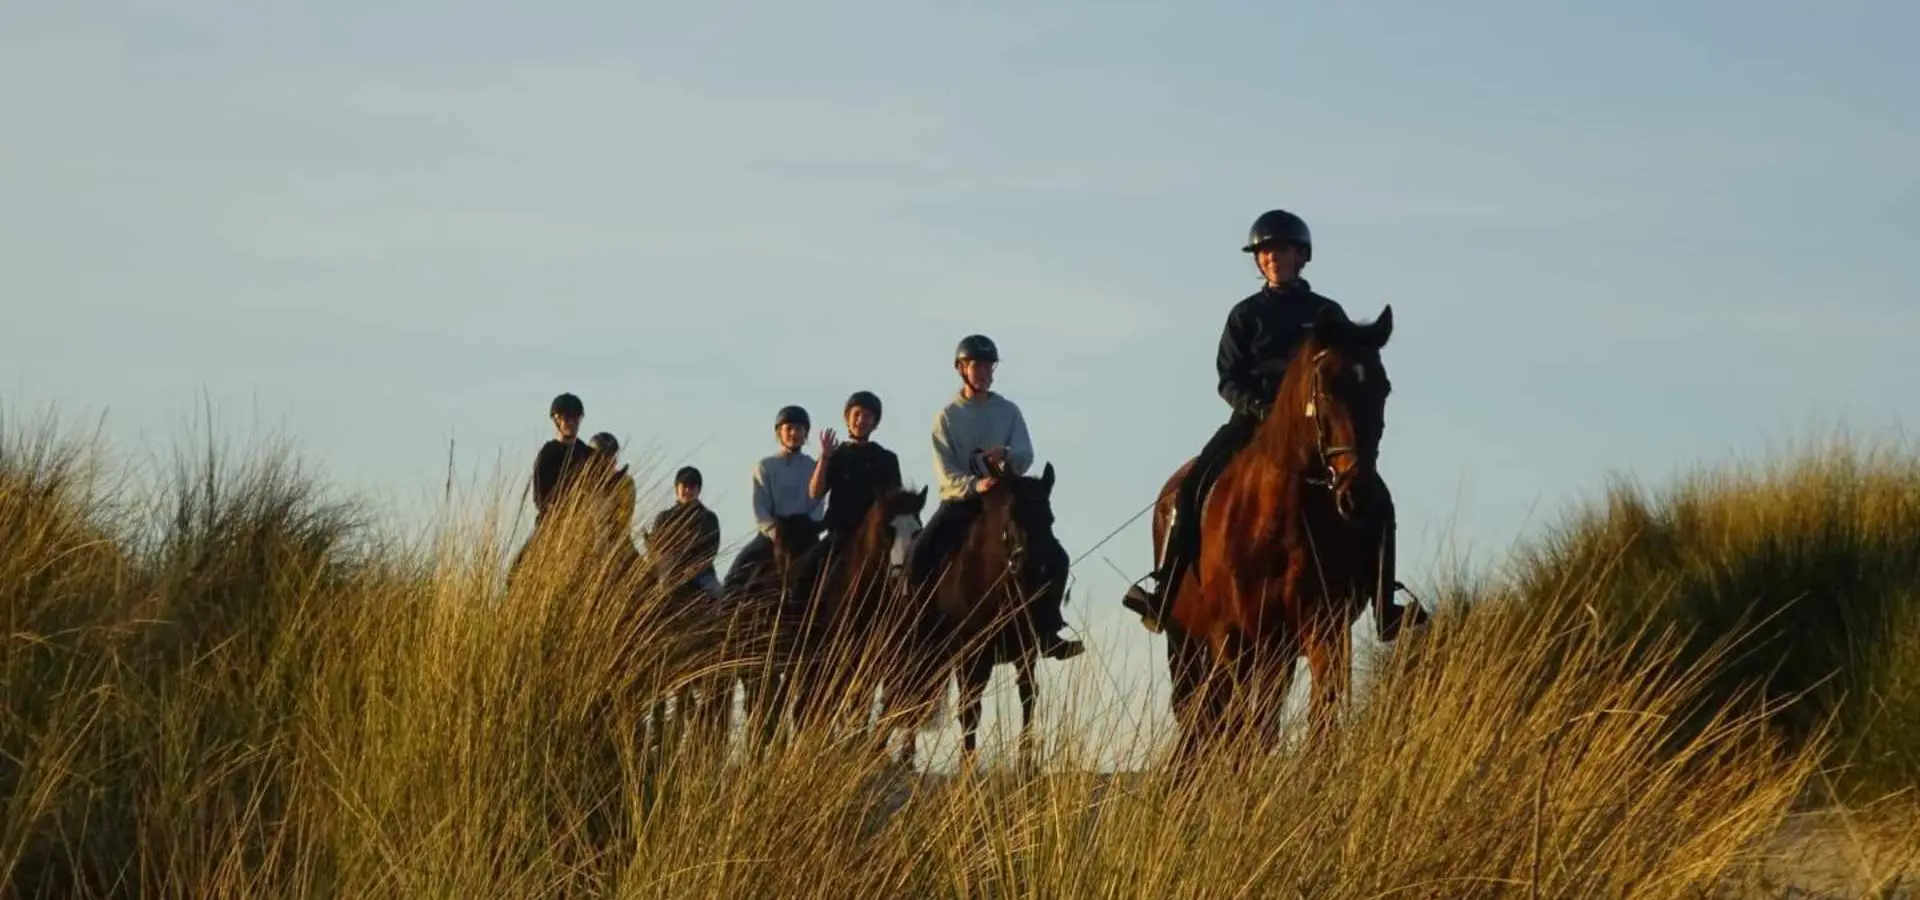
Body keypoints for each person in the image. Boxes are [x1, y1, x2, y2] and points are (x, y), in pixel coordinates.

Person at [1120, 209, 1423, 637]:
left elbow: (1340, 373)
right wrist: (1265, 412)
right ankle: (1164, 588)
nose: (1271, 258)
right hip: (1251, 421)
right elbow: (1228, 377)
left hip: (1315, 432)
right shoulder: (1246, 314)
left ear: (1301, 255)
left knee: (1377, 497)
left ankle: (1385, 603)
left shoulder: (1326, 313)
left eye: (1279, 249)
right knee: (1190, 489)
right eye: (1264, 252)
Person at [905, 334, 1083, 661]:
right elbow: (945, 472)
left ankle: (1048, 629)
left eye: (988, 366)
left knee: (1056, 556)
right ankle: (916, 633)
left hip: (1004, 500)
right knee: (919, 555)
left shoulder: (1008, 411)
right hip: (962, 502)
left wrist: (1008, 453)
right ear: (962, 369)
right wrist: (975, 486)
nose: (984, 372)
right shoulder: (947, 417)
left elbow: (1026, 454)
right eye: (977, 366)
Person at [721, 405, 826, 593]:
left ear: (806, 434)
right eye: (788, 428)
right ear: (779, 433)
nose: (794, 433)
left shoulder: (813, 466)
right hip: (775, 534)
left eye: (799, 429)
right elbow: (760, 507)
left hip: (805, 534)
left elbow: (818, 503)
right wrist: (776, 533)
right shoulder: (766, 466)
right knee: (734, 576)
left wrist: (810, 527)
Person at [809, 390, 905, 542]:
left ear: (875, 423)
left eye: (867, 416)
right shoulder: (836, 455)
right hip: (839, 534)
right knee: (806, 565)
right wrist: (825, 457)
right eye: (857, 414)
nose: (860, 421)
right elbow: (815, 493)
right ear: (847, 418)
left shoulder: (887, 458)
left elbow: (896, 500)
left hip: (875, 536)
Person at [646, 465, 723, 600]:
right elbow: (655, 548)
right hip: (669, 570)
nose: (688, 490)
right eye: (684, 486)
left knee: (718, 593)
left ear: (699, 489)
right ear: (677, 488)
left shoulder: (708, 518)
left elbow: (711, 551)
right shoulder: (663, 517)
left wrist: (694, 568)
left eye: (692, 487)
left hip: (700, 574)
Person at [531, 392, 599, 527]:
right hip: (552, 525)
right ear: (556, 420)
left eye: (576, 418)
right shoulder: (548, 453)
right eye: (567, 418)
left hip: (585, 526)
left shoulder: (589, 455)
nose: (572, 423)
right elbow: (540, 497)